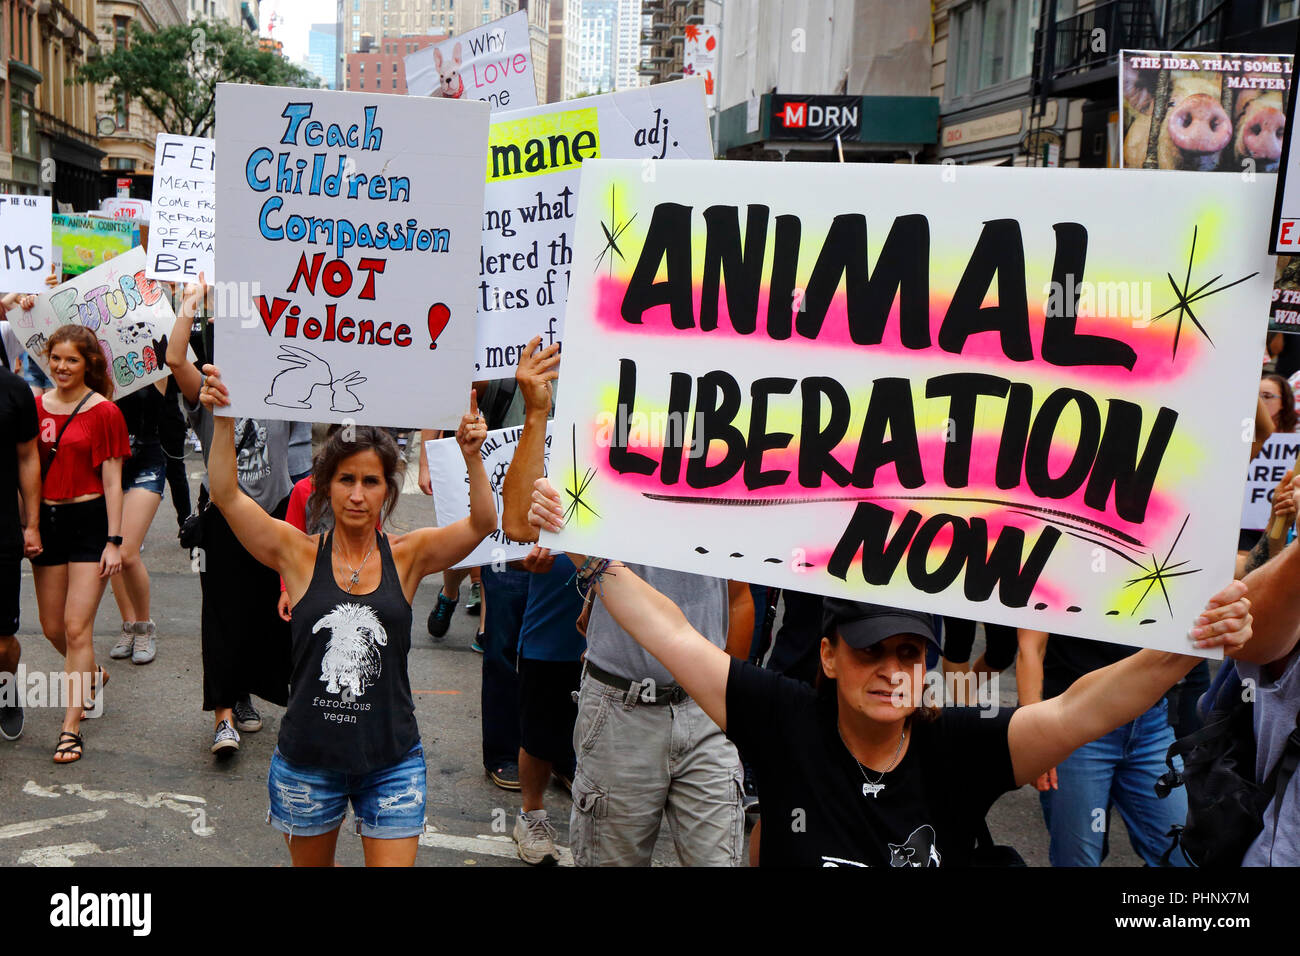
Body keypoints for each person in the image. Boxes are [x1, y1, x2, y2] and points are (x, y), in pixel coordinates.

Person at [525, 476, 1252, 866]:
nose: (890, 669)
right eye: (870, 649)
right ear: (830, 656)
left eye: (909, 653)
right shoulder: (785, 723)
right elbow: (674, 633)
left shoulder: (956, 750)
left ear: (930, 667)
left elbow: (1079, 712)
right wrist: (588, 552)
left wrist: (1190, 643)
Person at [197, 364, 494, 866]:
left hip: (392, 762)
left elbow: (485, 522)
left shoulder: (409, 554)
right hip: (308, 762)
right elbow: (226, 494)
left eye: (371, 482)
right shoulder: (295, 552)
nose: (358, 495)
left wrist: (472, 457)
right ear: (325, 487)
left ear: (388, 491)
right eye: (346, 480)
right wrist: (223, 416)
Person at [503, 339, 751, 867]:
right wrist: (538, 411)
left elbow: (740, 598)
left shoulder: (731, 455)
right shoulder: (601, 447)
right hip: (619, 711)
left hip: (707, 714)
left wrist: (736, 701)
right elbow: (519, 523)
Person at [165, 275, 290, 756]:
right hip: (221, 520)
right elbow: (176, 358)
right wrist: (191, 301)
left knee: (272, 612)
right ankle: (223, 715)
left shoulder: (284, 389)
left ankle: (247, 695)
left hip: (275, 514)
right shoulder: (208, 395)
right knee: (221, 615)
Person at [31, 325, 130, 763]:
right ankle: (93, 673)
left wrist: (114, 541)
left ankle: (71, 725)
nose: (61, 367)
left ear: (88, 363)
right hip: (48, 521)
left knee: (76, 629)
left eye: (71, 360)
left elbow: (113, 480)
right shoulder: (33, 407)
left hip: (90, 524)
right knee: (52, 627)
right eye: (56, 358)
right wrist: (28, 524)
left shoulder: (105, 411)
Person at [106, 382, 170, 665]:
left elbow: (172, 356)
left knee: (127, 551)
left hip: (147, 463)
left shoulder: (152, 360)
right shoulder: (97, 362)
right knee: (112, 549)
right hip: (108, 464)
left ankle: (144, 627)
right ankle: (129, 625)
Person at [0, 350, 42, 741]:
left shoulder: (14, 390)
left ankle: (6, 687)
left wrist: (32, 523)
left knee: (2, 643)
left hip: (2, 529)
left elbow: (29, 457)